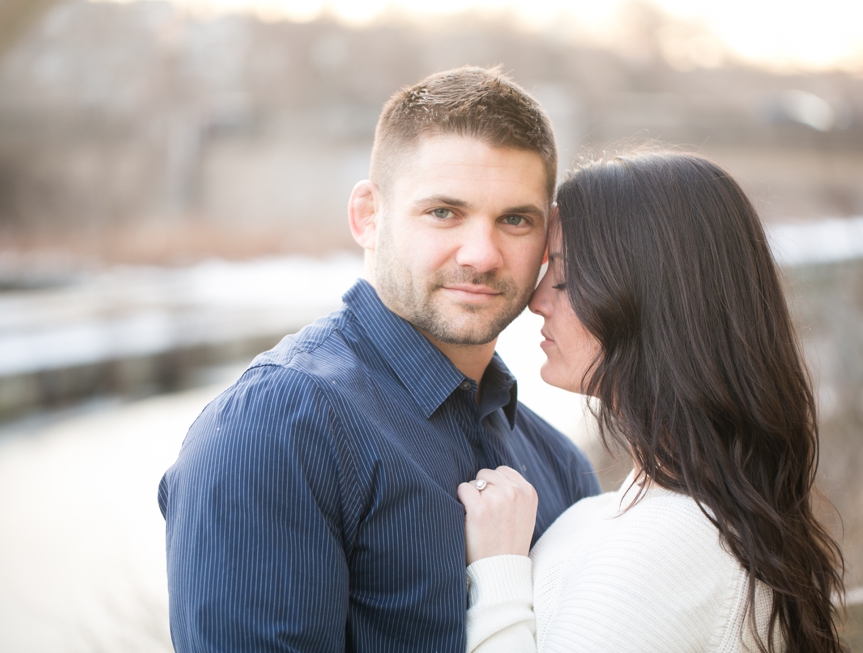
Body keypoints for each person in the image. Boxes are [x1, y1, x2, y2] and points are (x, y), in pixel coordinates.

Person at [157, 66, 600, 653]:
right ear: (369, 216)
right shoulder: (276, 430)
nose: (481, 254)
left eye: (515, 220)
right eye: (443, 212)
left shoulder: (559, 464)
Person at [459, 150, 847, 653]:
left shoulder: (669, 543)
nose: (537, 300)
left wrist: (498, 575)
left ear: (650, 296)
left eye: (568, 275)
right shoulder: (653, 513)